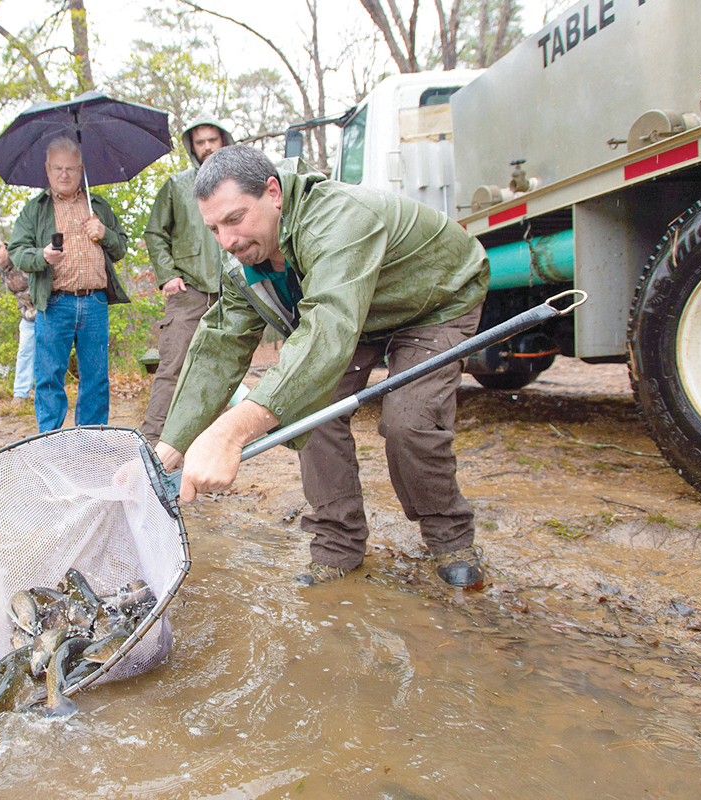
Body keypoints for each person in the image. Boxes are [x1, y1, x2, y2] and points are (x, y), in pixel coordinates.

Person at [153, 145, 491, 589]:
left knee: (410, 422)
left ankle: (451, 539)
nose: (228, 241)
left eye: (235, 219)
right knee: (309, 412)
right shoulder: (243, 260)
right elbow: (218, 348)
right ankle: (337, 544)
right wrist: (169, 448)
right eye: (214, 227)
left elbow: (327, 327)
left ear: (273, 192)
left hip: (435, 299)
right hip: (360, 314)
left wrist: (231, 430)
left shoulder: (337, 217)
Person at [8, 137, 130, 432]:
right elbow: (16, 251)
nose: (64, 174)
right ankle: (50, 440)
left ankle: (90, 441)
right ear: (47, 170)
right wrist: (42, 256)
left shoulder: (97, 205)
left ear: (81, 171)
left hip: (95, 303)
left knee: (96, 377)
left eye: (71, 169)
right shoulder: (34, 209)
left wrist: (104, 232)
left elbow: (121, 247)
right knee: (49, 376)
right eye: (58, 168)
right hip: (53, 303)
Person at [140, 116, 234, 445]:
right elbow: (154, 232)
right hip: (189, 292)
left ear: (224, 141)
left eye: (213, 139)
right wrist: (168, 276)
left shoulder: (239, 183)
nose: (207, 146)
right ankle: (151, 446)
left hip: (233, 294)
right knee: (173, 369)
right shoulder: (177, 185)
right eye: (200, 141)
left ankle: (206, 447)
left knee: (220, 372)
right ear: (191, 147)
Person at [0, 234, 36, 400]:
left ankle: (45, 395)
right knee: (24, 352)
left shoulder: (21, 256)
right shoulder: (0, 270)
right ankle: (20, 396)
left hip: (47, 310)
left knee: (48, 354)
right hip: (27, 314)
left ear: (3, 246)